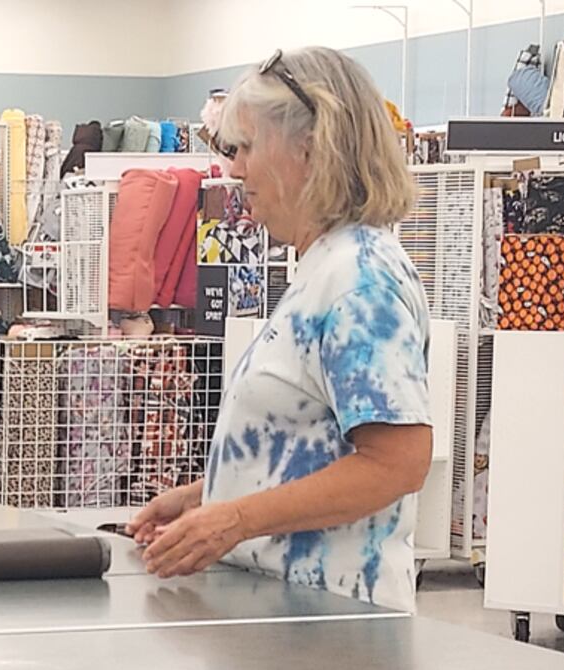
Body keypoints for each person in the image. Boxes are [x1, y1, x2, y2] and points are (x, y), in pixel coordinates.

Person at [129, 47, 432, 612]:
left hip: (335, 628)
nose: (235, 169)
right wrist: (211, 497)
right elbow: (310, 440)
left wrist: (236, 518)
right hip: (291, 617)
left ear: (309, 148)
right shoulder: (325, 265)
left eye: (245, 148)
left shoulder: (358, 281)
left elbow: (397, 463)